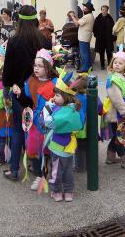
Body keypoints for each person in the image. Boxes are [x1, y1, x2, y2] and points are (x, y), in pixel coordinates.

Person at [2, 5, 51, 181]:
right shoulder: (44, 40)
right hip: (40, 92)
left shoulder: (14, 41)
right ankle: (39, 169)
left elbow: (7, 71)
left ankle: (14, 169)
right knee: (37, 129)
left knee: (18, 130)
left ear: (19, 20)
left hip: (19, 92)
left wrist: (7, 89)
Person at [43, 71, 84, 202]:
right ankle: (69, 192)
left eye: (57, 95)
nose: (54, 98)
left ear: (66, 97)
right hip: (70, 147)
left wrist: (47, 108)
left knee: (56, 171)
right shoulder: (73, 109)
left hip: (58, 147)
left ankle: (56, 192)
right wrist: (53, 105)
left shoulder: (61, 111)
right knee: (68, 172)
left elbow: (48, 122)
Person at [21, 48, 58, 190]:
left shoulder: (55, 82)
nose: (36, 68)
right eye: (35, 65)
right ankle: (39, 175)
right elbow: (29, 97)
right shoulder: (31, 81)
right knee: (35, 149)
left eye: (40, 66)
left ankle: (49, 175)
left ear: (48, 67)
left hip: (50, 121)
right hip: (35, 121)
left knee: (49, 150)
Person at [69, 2, 95, 73]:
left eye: (85, 8)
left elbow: (77, 23)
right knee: (87, 53)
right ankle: (89, 67)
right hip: (86, 37)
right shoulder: (89, 15)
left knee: (84, 54)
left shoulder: (87, 16)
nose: (83, 9)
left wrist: (72, 17)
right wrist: (75, 17)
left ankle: (85, 68)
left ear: (88, 9)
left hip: (84, 37)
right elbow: (80, 20)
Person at [93, 5, 115, 70]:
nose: (104, 11)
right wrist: (96, 35)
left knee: (109, 52)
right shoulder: (98, 18)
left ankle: (109, 65)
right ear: (101, 10)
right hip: (100, 39)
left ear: (107, 10)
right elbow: (94, 28)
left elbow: (113, 28)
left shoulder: (110, 18)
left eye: (105, 10)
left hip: (108, 39)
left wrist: (112, 37)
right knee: (101, 52)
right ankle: (102, 65)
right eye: (103, 9)